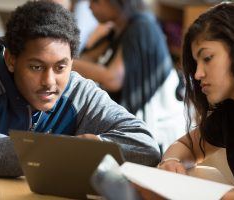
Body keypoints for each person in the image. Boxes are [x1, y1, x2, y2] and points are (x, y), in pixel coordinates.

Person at [0, 1, 161, 177]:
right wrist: (65, 151)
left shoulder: (79, 91)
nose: (49, 81)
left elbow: (145, 146)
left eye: (61, 67)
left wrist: (90, 145)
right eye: (36, 67)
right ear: (11, 59)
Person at [158, 2, 234, 199]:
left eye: (207, 58)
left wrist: (217, 196)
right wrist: (171, 161)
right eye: (196, 63)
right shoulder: (232, 114)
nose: (197, 74)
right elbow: (186, 145)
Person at [73, 0, 186, 151]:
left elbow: (113, 78)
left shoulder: (141, 26)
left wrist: (64, 62)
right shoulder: (116, 30)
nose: (89, 6)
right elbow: (86, 59)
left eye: (96, 1)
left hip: (154, 130)